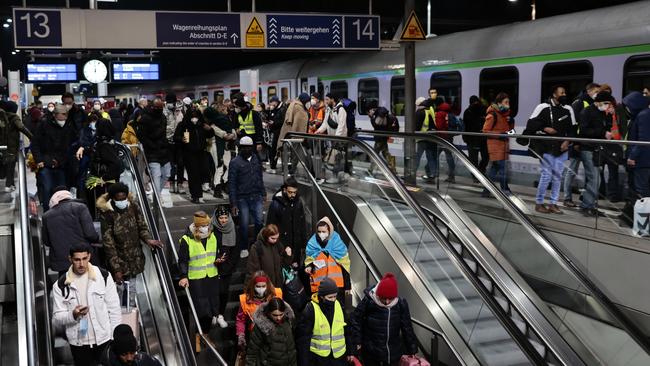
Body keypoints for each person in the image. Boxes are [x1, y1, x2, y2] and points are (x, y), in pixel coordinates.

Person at [52, 244, 121, 366]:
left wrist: (114, 337)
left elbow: (114, 309)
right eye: (77, 260)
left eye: (84, 258)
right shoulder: (60, 285)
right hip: (79, 343)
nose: (81, 264)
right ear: (70, 259)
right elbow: (57, 317)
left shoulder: (104, 276)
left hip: (104, 340)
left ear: (89, 256)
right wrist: (73, 315)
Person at [96, 183, 162, 307]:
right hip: (118, 259)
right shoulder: (107, 214)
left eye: (124, 198)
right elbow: (108, 243)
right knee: (118, 290)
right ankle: (118, 313)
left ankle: (131, 309)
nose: (122, 201)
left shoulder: (133, 207)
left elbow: (141, 226)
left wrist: (148, 239)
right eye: (118, 199)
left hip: (135, 257)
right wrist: (116, 269)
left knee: (132, 287)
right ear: (112, 199)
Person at [523, 86, 575, 214]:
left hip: (562, 148)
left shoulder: (568, 109)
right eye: (561, 92)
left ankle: (553, 203)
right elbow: (531, 124)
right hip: (546, 147)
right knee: (546, 176)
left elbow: (573, 128)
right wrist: (546, 128)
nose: (564, 94)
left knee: (557, 177)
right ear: (554, 94)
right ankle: (539, 203)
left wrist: (567, 141)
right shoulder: (543, 107)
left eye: (565, 92)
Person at [349, 273, 418, 366]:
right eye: (383, 298)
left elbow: (407, 327)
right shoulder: (369, 301)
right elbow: (355, 319)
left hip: (393, 353)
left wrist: (412, 348)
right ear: (378, 295)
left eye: (390, 298)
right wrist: (357, 341)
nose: (387, 302)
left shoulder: (400, 304)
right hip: (371, 352)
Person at [178, 211, 222, 345]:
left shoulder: (213, 236)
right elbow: (183, 260)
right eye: (203, 225)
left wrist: (219, 260)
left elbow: (216, 253)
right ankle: (200, 336)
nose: (205, 227)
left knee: (213, 308)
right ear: (196, 226)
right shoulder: (187, 239)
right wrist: (184, 276)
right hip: (196, 279)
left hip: (212, 276)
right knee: (203, 310)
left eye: (207, 225)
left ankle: (205, 335)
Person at [574, 91, 616, 217]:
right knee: (595, 178)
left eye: (609, 104)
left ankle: (590, 205)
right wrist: (602, 133)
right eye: (606, 103)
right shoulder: (587, 111)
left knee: (595, 178)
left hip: (598, 149)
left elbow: (607, 128)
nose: (607, 106)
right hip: (588, 148)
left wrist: (611, 116)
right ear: (598, 102)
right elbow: (584, 131)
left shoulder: (603, 112)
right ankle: (587, 205)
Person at [42, 188, 99, 277]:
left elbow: (46, 241)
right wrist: (97, 239)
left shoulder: (46, 216)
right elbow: (90, 234)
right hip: (83, 259)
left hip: (61, 263)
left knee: (67, 288)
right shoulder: (80, 208)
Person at [31, 104, 77, 211]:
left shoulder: (69, 126)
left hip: (62, 165)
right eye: (63, 115)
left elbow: (71, 145)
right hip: (46, 163)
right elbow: (35, 143)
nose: (64, 118)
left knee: (62, 192)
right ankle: (48, 212)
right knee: (47, 188)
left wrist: (62, 161)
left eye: (66, 115)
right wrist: (39, 160)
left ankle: (64, 212)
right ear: (55, 115)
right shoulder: (43, 124)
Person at [297, 278, 351, 366]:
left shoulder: (339, 305)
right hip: (319, 359)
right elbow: (303, 339)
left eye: (335, 296)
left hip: (339, 357)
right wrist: (304, 362)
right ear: (321, 296)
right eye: (330, 297)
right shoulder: (310, 309)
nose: (333, 300)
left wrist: (351, 351)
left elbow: (347, 330)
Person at [563, 83, 601, 207]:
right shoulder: (579, 102)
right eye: (596, 91)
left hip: (586, 143)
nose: (597, 93)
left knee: (587, 173)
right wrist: (575, 142)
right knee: (572, 170)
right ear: (589, 91)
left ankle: (585, 197)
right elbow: (574, 124)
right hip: (577, 143)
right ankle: (567, 197)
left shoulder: (593, 104)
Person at [228, 136, 265, 258]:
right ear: (240, 147)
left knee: (259, 221)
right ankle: (244, 247)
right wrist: (233, 203)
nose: (247, 149)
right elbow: (232, 183)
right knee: (244, 223)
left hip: (257, 195)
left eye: (249, 147)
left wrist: (263, 192)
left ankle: (256, 244)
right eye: (244, 147)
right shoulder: (234, 163)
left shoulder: (256, 159)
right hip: (242, 197)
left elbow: (260, 177)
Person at [173, 108, 214, 203]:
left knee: (203, 172)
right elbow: (176, 137)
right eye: (193, 116)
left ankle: (199, 192)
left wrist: (210, 129)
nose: (194, 118)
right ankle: (196, 195)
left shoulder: (202, 125)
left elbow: (210, 135)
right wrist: (181, 139)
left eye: (196, 116)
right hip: (189, 153)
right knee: (193, 175)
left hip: (201, 152)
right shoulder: (183, 125)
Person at [304, 217, 350, 301]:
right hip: (319, 288)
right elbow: (309, 261)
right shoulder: (312, 244)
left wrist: (348, 286)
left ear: (329, 231)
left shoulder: (337, 244)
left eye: (324, 231)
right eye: (319, 231)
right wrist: (309, 267)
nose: (321, 234)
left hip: (337, 287)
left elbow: (345, 266)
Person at [236, 271, 283, 351]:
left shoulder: (276, 294)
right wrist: (241, 335)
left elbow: (283, 313)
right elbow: (241, 320)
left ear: (267, 285)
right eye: (258, 286)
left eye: (263, 286)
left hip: (275, 337)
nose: (261, 289)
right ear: (253, 286)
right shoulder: (245, 300)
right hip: (255, 338)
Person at [137, 97, 172, 205]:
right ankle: (157, 198)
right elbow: (142, 136)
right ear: (153, 107)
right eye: (158, 107)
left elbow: (164, 133)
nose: (160, 109)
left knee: (167, 174)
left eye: (161, 107)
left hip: (163, 150)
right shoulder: (145, 118)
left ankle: (157, 193)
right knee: (156, 175)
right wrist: (151, 146)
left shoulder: (162, 117)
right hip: (151, 151)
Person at [266, 177, 308, 265]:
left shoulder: (298, 202)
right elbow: (270, 226)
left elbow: (302, 223)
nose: (293, 195)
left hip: (296, 244)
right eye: (290, 192)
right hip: (282, 245)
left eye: (295, 192)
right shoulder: (276, 204)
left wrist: (304, 243)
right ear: (284, 190)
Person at [246, 297, 297, 366]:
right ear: (269, 312)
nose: (278, 318)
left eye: (281, 314)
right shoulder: (261, 326)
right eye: (275, 315)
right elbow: (252, 352)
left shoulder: (289, 321)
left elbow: (291, 349)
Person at [211, 205, 239, 328]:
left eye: (225, 217)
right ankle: (213, 314)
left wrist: (227, 266)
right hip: (212, 267)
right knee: (212, 292)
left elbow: (235, 251)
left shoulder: (233, 229)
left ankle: (220, 314)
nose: (223, 220)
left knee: (223, 292)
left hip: (226, 268)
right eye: (221, 218)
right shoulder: (211, 229)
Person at [482, 92, 514, 195]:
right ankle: (505, 191)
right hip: (495, 146)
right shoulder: (492, 115)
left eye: (508, 102)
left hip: (503, 146)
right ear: (499, 103)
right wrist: (500, 134)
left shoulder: (504, 115)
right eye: (505, 102)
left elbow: (510, 130)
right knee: (502, 170)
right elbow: (485, 131)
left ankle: (486, 191)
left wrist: (511, 121)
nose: (508, 104)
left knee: (493, 171)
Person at [204, 105, 237, 199]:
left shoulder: (211, 124)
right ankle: (221, 185)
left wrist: (228, 135)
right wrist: (231, 135)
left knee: (221, 166)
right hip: (222, 146)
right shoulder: (222, 121)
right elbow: (231, 134)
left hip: (217, 146)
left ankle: (219, 187)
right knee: (224, 166)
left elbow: (225, 135)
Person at [0, 100, 33, 191]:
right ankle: (8, 185)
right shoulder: (14, 117)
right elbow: (21, 127)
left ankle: (11, 184)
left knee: (5, 164)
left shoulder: (2, 117)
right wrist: (32, 137)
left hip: (2, 145)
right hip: (12, 145)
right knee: (11, 165)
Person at [317, 93, 348, 183]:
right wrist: (319, 131)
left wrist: (337, 138)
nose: (325, 102)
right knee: (335, 158)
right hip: (333, 138)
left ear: (332, 99)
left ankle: (337, 177)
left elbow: (341, 125)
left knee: (337, 158)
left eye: (327, 99)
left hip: (339, 139)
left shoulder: (340, 109)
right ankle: (337, 176)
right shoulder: (328, 110)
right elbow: (325, 123)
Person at [278, 93, 310, 174]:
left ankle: (291, 171)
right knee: (302, 154)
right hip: (297, 135)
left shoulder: (294, 105)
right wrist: (297, 136)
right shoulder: (299, 108)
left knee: (297, 154)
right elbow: (298, 124)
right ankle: (311, 173)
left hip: (292, 135)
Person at [627, 92, 650, 197]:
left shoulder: (643, 115)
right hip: (645, 157)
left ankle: (641, 213)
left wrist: (632, 156)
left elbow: (643, 139)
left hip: (642, 159)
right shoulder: (645, 114)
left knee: (641, 188)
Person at [369, 106, 399, 174]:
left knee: (375, 154)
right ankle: (393, 169)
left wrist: (371, 117)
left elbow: (375, 125)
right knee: (386, 153)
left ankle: (371, 170)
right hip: (384, 138)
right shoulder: (387, 118)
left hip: (379, 139)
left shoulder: (379, 118)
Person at [463, 95, 489, 175]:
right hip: (475, 138)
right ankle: (477, 174)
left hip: (477, 138)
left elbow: (465, 126)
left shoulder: (469, 111)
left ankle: (479, 173)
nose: (476, 103)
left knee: (476, 158)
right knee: (479, 158)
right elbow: (466, 126)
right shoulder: (470, 111)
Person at [414, 97, 437, 183]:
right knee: (430, 157)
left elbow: (417, 126)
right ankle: (432, 175)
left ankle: (411, 173)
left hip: (421, 138)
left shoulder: (419, 113)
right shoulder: (430, 111)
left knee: (417, 157)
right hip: (430, 137)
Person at [434, 97, 457, 183]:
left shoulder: (440, 113)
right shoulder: (449, 111)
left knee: (434, 156)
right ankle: (452, 176)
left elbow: (439, 127)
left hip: (441, 138)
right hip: (448, 137)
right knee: (449, 157)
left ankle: (432, 173)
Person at [267, 96, 287, 172]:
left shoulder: (282, 109)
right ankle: (273, 165)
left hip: (279, 132)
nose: (270, 104)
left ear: (275, 102)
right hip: (274, 131)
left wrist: (274, 123)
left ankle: (280, 167)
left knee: (277, 149)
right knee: (272, 149)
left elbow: (283, 121)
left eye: (271, 102)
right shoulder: (274, 109)